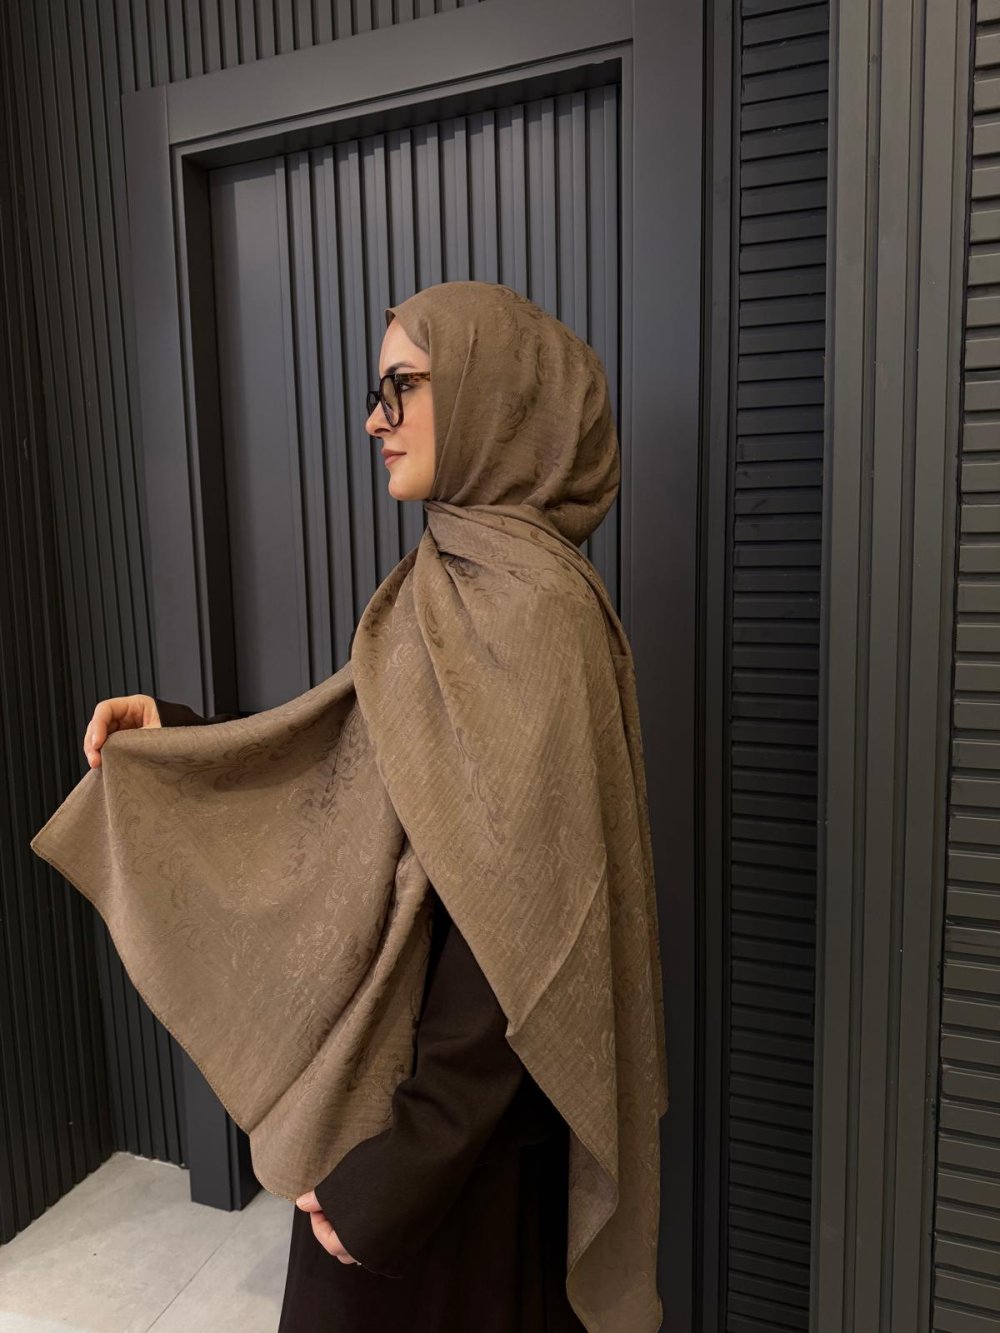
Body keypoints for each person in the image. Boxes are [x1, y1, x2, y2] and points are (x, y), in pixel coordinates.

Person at [80, 302, 590, 1330]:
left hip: (453, 1148)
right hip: (404, 1105)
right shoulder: (451, 577)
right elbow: (370, 779)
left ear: (489, 394)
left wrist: (399, 1168)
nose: (374, 418)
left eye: (403, 386)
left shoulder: (534, 613)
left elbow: (522, 928)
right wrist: (180, 737)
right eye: (377, 389)